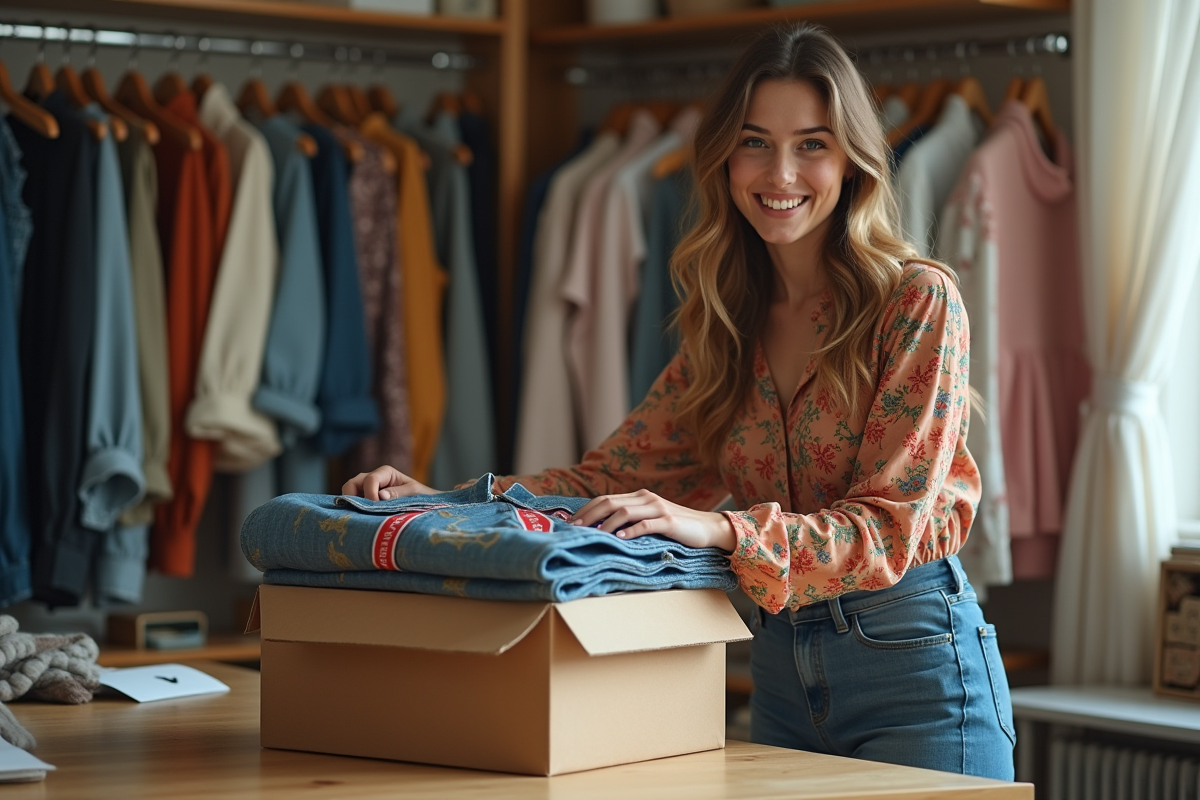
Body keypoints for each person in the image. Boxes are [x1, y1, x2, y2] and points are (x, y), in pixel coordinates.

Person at [344, 23, 1015, 780]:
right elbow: (609, 480)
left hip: (916, 674)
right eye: (756, 142)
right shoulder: (727, 318)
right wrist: (447, 502)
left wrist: (717, 530)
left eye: (813, 144)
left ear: (853, 159)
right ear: (725, 154)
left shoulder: (917, 302)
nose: (781, 171)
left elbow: (890, 531)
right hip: (780, 672)